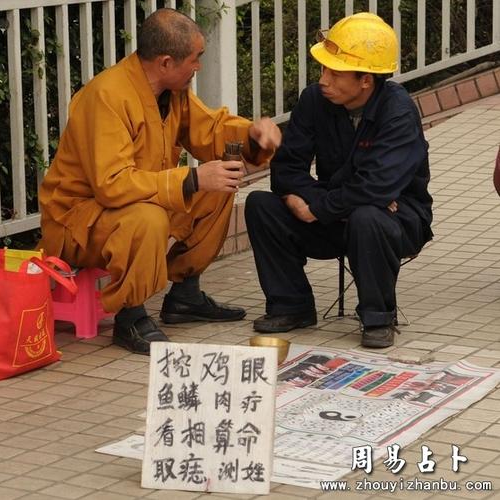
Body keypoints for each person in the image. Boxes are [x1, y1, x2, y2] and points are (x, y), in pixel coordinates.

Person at [38, 8, 281, 355]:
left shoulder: (172, 91)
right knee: (148, 216)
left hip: (132, 203)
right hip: (78, 221)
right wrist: (193, 177)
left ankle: (185, 295)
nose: (198, 67)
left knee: (220, 185)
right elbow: (112, 185)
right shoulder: (106, 96)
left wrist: (253, 136)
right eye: (195, 59)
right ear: (166, 62)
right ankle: (130, 315)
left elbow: (209, 129)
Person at [245, 12, 433, 348]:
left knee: (368, 214)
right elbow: (287, 169)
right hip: (335, 208)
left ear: (366, 80)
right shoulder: (314, 100)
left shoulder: (399, 112)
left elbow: (377, 187)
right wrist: (308, 203)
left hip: (395, 219)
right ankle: (292, 305)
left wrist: (318, 206)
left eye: (334, 72)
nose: (323, 79)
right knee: (261, 205)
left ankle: (378, 317)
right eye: (323, 69)